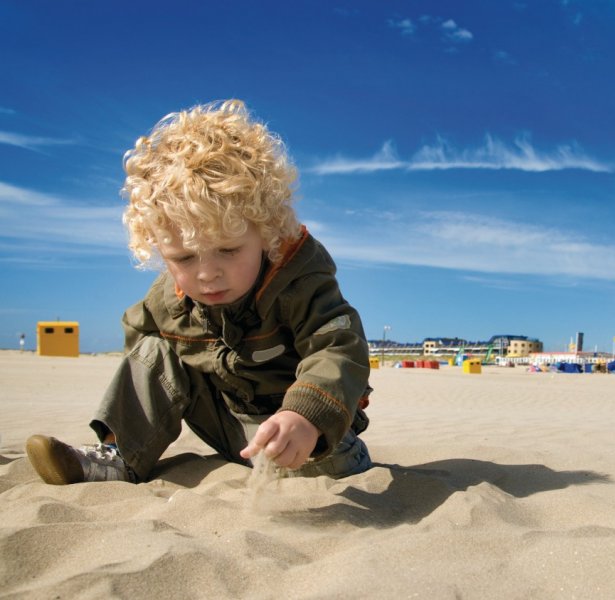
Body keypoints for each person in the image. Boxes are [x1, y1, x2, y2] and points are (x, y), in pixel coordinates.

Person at [26, 100, 372, 485]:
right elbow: (140, 347)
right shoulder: (168, 301)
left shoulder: (300, 282)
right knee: (154, 350)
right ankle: (118, 454)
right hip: (227, 428)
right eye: (184, 257)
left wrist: (306, 416)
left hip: (309, 441)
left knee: (330, 465)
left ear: (268, 231)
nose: (207, 274)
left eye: (228, 249)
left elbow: (340, 346)